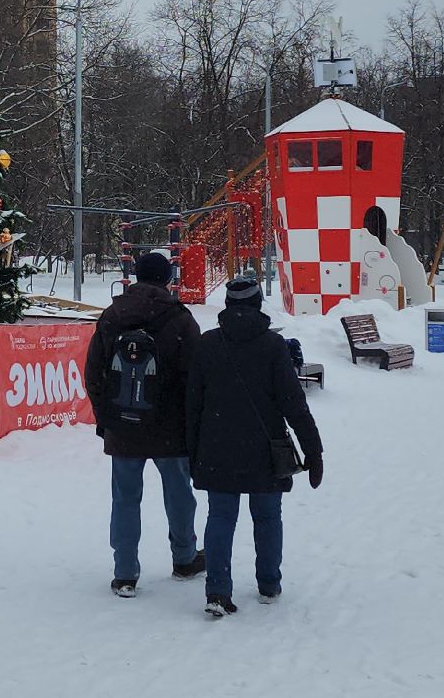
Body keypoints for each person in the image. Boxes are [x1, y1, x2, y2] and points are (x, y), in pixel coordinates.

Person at [186, 276, 323, 618]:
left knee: (220, 517)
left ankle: (217, 590)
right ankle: (268, 584)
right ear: (259, 304)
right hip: (266, 449)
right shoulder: (274, 347)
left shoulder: (207, 345)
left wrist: (193, 452)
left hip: (217, 448)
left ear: (228, 306)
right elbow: (294, 404)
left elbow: (192, 406)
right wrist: (313, 450)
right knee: (267, 516)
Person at [83, 251, 205, 598]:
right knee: (179, 493)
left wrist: (106, 418)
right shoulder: (180, 319)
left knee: (124, 498)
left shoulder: (112, 316)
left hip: (123, 423)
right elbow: (195, 376)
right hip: (169, 426)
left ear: (135, 276)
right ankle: (184, 558)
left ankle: (124, 572)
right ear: (167, 279)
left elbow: (93, 372)